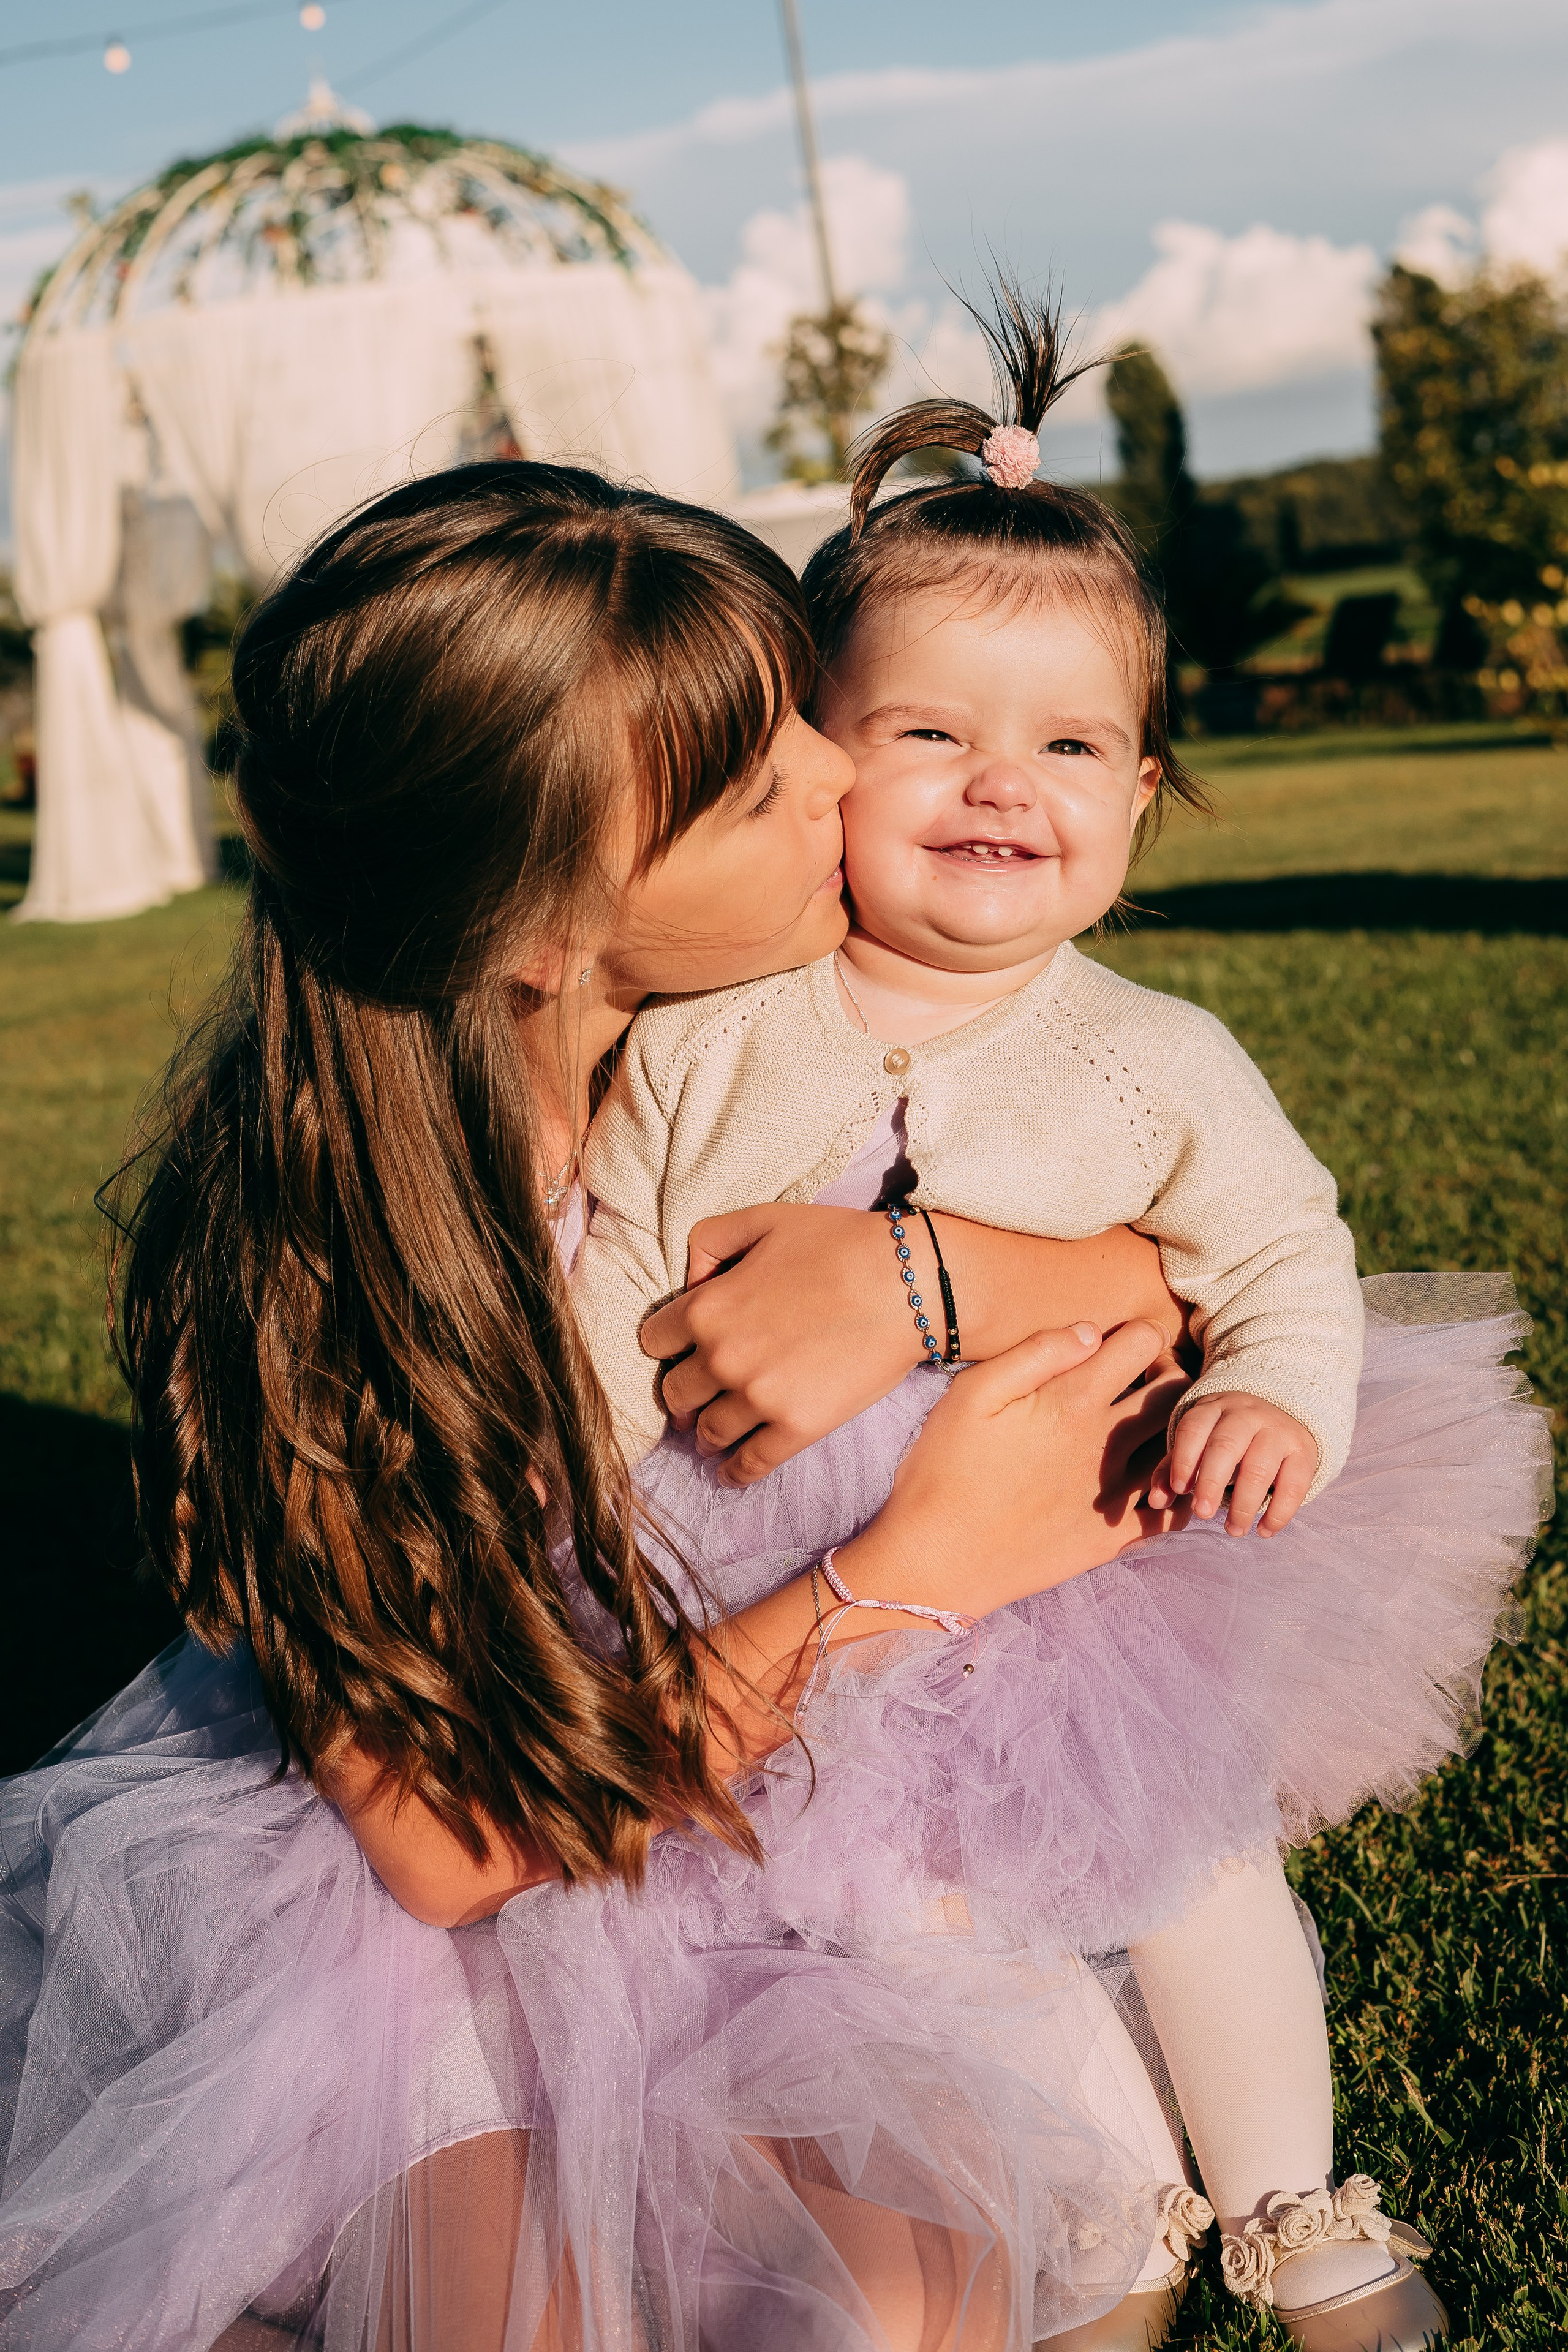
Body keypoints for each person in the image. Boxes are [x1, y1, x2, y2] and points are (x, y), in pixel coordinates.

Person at [0, 459, 1209, 2352]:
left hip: (801, 1837)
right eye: (756, 787)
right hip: (453, 1867)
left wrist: (924, 1281)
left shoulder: (793, 1029)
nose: (836, 768)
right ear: (546, 935)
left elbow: (1188, 1265)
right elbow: (443, 1848)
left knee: (908, 2304)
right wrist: (907, 1568)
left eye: (801, 709)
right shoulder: (320, 1268)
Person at [570, 292, 1554, 2352]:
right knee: (923, 1911)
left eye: (1071, 746)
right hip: (794, 1566)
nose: (1000, 783)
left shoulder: (1155, 1055)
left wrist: (1274, 1398)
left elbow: (1281, 1250)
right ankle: (1099, 2217)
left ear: (1142, 792)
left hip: (1096, 1551)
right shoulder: (710, 1038)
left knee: (1190, 1865)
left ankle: (1290, 2199)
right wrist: (578, 1470)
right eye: (930, 735)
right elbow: (614, 1277)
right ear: (816, 766)